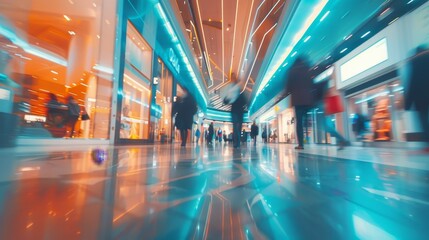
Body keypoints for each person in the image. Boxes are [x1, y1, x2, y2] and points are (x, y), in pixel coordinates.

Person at [285, 56, 315, 150]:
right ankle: (310, 139)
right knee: (306, 120)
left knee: (299, 123)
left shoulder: (292, 71)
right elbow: (312, 83)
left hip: (297, 100)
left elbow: (288, 88)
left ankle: (301, 144)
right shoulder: (307, 69)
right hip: (307, 99)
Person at [405, 45, 429, 153]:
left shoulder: (415, 62)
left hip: (421, 99)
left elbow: (412, 82)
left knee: (424, 123)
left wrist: (408, 104)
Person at [224, 82, 247, 149]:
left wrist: (227, 98)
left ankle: (236, 143)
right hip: (239, 114)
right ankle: (237, 143)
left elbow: (226, 101)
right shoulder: (239, 95)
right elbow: (245, 103)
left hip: (236, 114)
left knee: (236, 128)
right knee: (237, 129)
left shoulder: (235, 95)